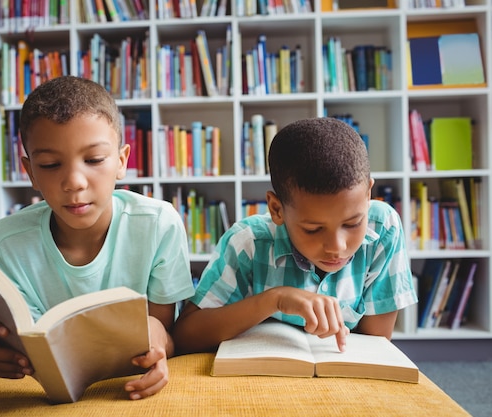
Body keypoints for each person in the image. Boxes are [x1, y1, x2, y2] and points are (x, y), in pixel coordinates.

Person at [0, 75, 195, 400]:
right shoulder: (8, 241)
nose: (75, 182)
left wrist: (159, 340)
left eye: (93, 160)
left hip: (130, 386)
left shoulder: (159, 224)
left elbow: (164, 330)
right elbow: (28, 342)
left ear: (122, 161)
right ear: (30, 171)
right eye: (50, 164)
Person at [172, 117, 418, 354]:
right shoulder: (248, 243)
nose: (337, 246)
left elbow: (376, 345)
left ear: (368, 195)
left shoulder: (384, 228)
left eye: (353, 223)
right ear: (276, 209)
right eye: (313, 229)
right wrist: (275, 299)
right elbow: (185, 336)